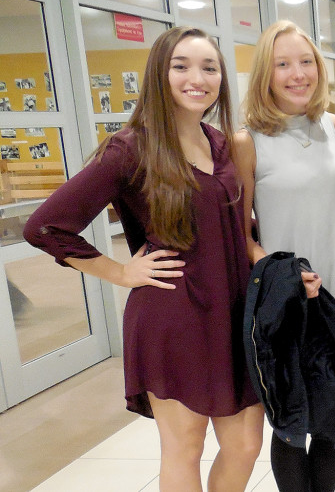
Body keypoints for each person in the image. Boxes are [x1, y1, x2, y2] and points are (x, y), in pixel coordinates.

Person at [24, 26, 264, 491]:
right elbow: (46, 227)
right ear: (159, 73)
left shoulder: (219, 143)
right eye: (182, 66)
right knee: (184, 448)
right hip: (173, 316)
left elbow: (234, 225)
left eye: (209, 67)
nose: (198, 77)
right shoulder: (131, 147)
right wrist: (119, 271)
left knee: (245, 445)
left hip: (233, 315)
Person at [233, 20, 335, 492]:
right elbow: (240, 233)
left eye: (306, 62)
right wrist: (286, 275)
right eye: (283, 64)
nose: (297, 73)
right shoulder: (248, 141)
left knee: (334, 416)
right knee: (292, 423)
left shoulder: (334, 126)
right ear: (266, 73)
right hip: (289, 301)